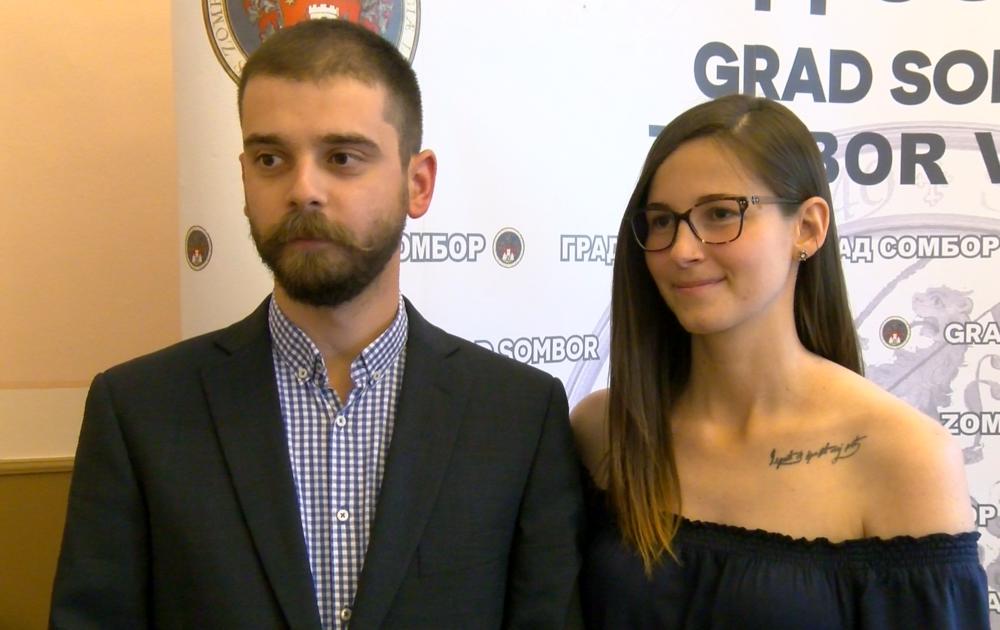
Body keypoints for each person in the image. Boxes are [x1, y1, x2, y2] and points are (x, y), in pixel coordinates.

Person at [51, 19, 583, 629]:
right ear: (244, 178)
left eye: (342, 158)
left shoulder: (518, 417)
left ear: (418, 183)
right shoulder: (138, 412)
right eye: (271, 158)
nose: (303, 189)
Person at [571, 94, 988, 629]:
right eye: (661, 221)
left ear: (807, 228)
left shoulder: (906, 457)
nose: (681, 250)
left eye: (720, 214)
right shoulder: (605, 429)